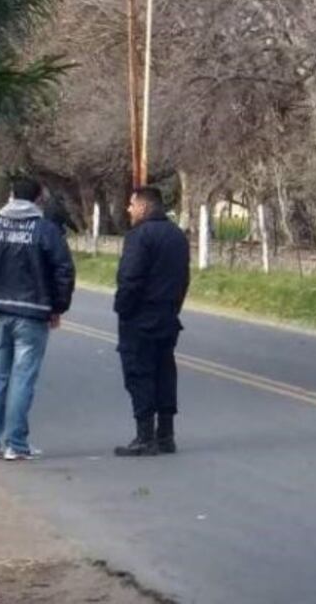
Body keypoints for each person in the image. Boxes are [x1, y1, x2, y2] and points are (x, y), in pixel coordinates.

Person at [0, 178, 76, 461]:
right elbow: (64, 270)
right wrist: (58, 307)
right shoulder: (45, 231)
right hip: (33, 311)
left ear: (12, 196)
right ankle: (15, 444)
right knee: (23, 377)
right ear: (38, 199)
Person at [114, 186, 190, 456]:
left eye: (132, 204)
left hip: (141, 317)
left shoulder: (139, 236)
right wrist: (174, 307)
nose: (129, 210)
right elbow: (183, 279)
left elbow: (130, 277)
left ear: (144, 207)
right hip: (168, 315)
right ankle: (166, 434)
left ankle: (145, 435)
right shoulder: (177, 236)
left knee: (139, 373)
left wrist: (123, 308)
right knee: (164, 372)